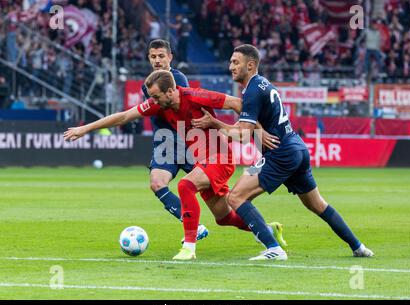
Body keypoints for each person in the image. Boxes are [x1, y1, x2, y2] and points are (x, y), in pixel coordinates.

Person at [63, 70, 286, 260]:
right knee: (224, 217)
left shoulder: (197, 96)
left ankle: (189, 247)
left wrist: (259, 132)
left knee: (185, 186)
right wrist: (84, 129)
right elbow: (123, 116)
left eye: (156, 96)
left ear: (171, 91)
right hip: (203, 160)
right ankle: (268, 231)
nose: (153, 101)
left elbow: (238, 104)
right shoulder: (158, 105)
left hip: (220, 157)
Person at [192, 44, 374, 260]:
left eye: (235, 62)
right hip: (296, 147)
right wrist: (255, 132)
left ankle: (274, 248)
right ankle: (358, 247)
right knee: (317, 204)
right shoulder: (263, 85)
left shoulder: (251, 90)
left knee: (236, 197)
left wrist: (214, 123)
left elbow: (241, 135)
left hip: (280, 152)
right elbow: (251, 127)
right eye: (230, 62)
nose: (230, 66)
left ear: (250, 65)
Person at [142, 39, 209, 242]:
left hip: (185, 142)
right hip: (165, 145)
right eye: (153, 56)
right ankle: (194, 227)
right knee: (156, 183)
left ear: (170, 57)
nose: (157, 60)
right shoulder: (147, 84)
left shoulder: (177, 78)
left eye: (161, 56)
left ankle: (260, 227)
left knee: (219, 197)